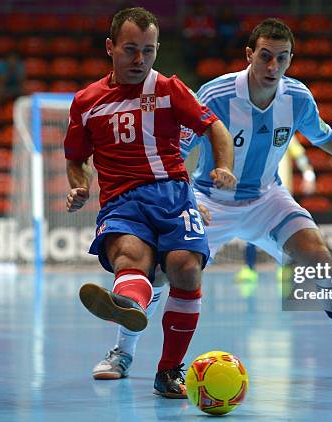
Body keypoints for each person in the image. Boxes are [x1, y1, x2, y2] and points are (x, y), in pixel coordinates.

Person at [92, 18, 332, 382]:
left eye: (282, 58)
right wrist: (184, 197)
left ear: (290, 60)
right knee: (159, 276)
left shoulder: (296, 97)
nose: (272, 66)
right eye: (265, 56)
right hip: (209, 201)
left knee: (324, 264)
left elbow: (324, 136)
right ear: (249, 54)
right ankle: (122, 354)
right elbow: (174, 150)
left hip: (267, 199)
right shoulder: (216, 95)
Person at [65, 7, 236, 398]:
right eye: (130, 49)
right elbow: (76, 157)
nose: (139, 59)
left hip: (173, 193)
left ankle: (166, 368)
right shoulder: (87, 102)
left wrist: (224, 166)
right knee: (129, 257)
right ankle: (130, 306)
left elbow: (215, 128)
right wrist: (79, 186)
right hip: (122, 200)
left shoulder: (169, 88)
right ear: (110, 47)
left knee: (186, 268)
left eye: (148, 50)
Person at [235, 133, 316, 284]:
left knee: (282, 232)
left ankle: (283, 267)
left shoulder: (286, 131)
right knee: (251, 229)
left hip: (281, 192)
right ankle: (249, 269)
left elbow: (300, 155)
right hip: (257, 190)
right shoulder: (256, 130)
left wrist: (308, 174)